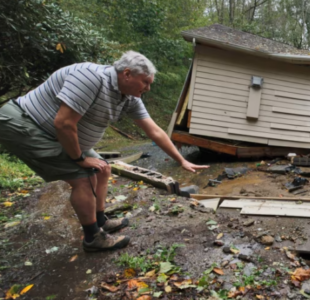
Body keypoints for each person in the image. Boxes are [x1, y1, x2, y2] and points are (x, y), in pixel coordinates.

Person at [0, 51, 208, 252]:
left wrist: (181, 160)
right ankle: (93, 238)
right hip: (25, 124)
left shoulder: (129, 98)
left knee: (103, 169)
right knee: (84, 176)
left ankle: (100, 221)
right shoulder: (90, 78)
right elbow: (63, 123)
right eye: (146, 82)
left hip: (56, 133)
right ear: (127, 74)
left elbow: (154, 131)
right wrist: (79, 158)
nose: (148, 88)